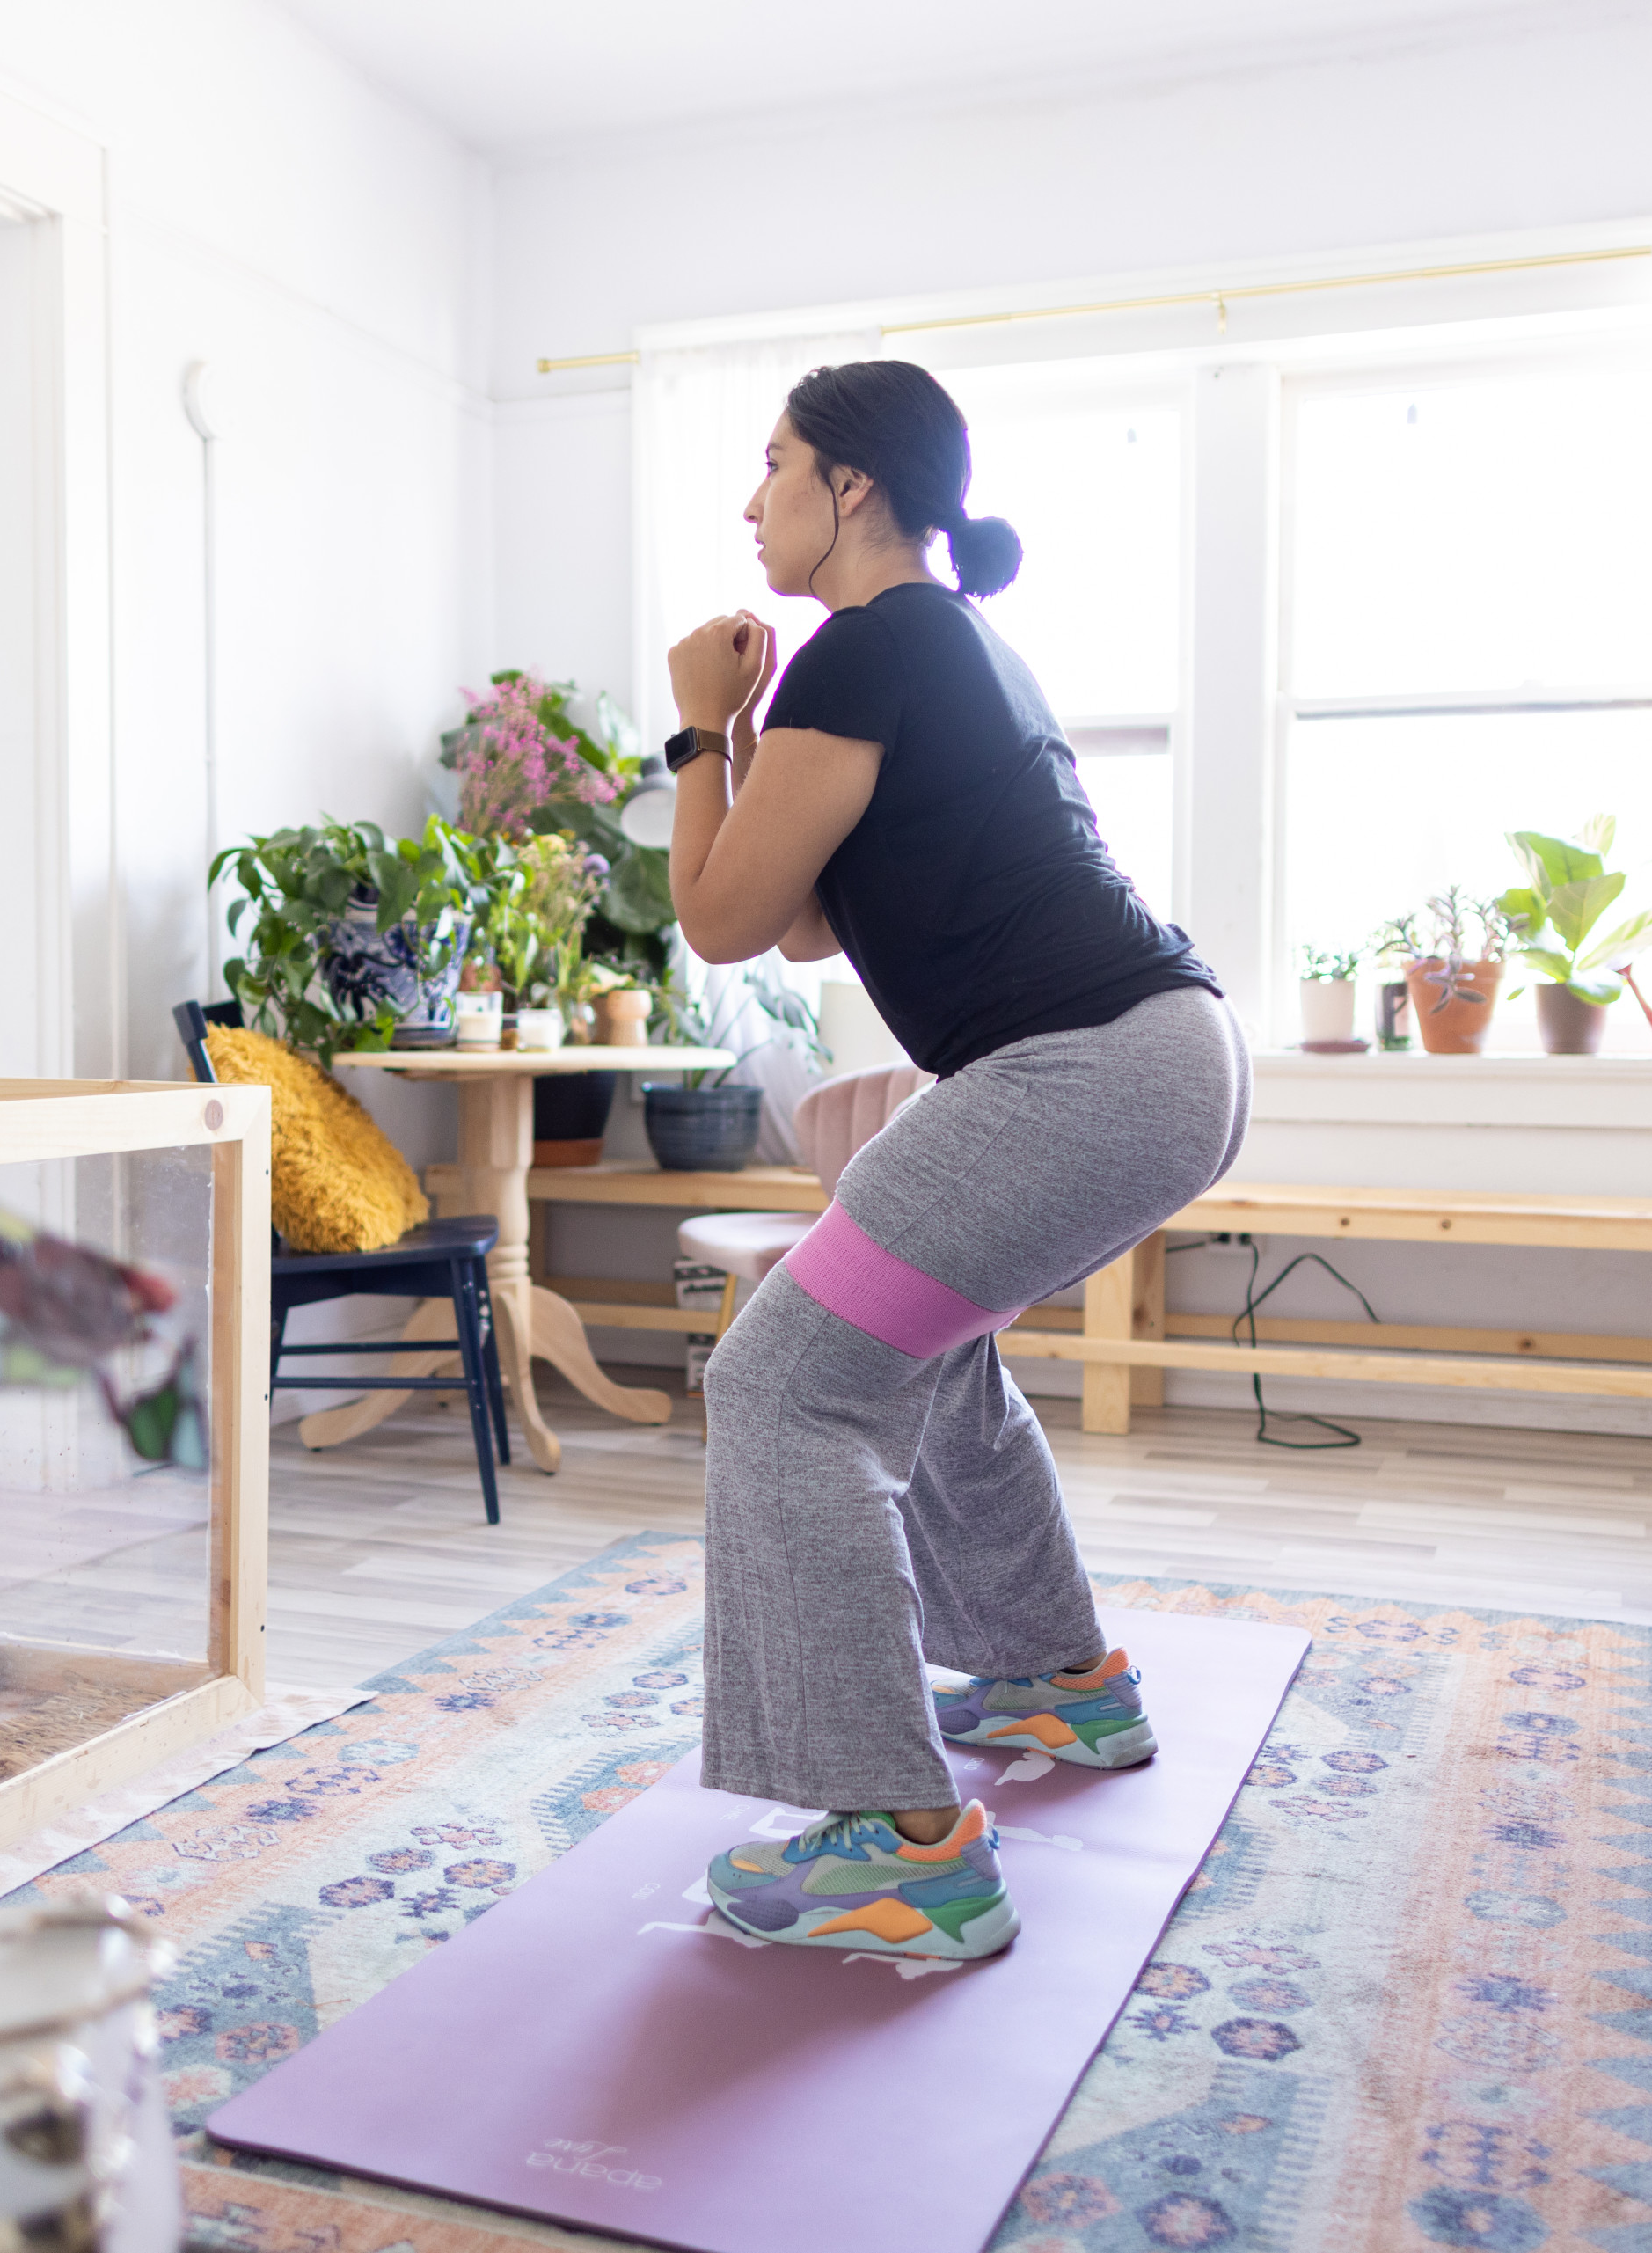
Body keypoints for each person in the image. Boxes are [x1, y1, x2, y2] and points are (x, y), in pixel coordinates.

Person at [661, 361, 1250, 1962]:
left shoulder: (879, 641)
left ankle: (897, 1841)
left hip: (1088, 1064)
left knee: (780, 1383)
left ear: (851, 486)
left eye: (771, 462)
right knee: (915, 1341)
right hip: (1154, 1056)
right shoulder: (927, 647)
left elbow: (710, 921)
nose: (750, 498)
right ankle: (1054, 1678)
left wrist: (693, 730)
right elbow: (789, 912)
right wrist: (743, 737)